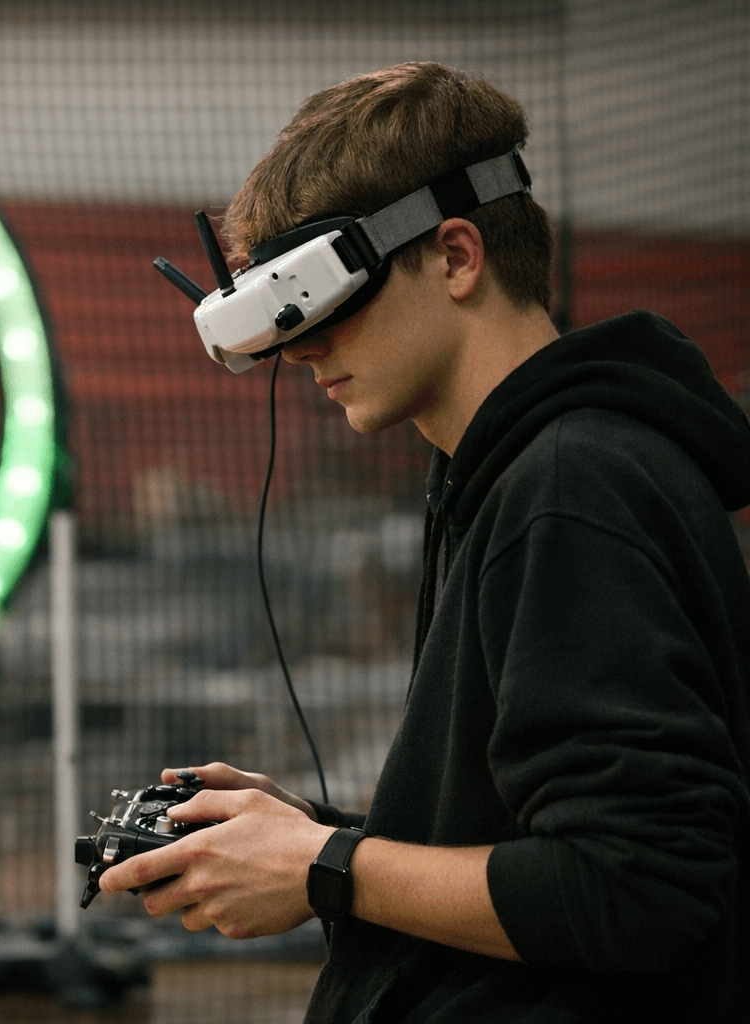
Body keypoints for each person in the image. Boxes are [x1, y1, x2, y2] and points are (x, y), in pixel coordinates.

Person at [98, 62, 750, 1021]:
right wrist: (309, 839)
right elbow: (541, 843)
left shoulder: (571, 485)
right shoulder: (515, 472)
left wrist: (325, 868)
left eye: (326, 296)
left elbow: (636, 888)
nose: (302, 347)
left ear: (455, 256)